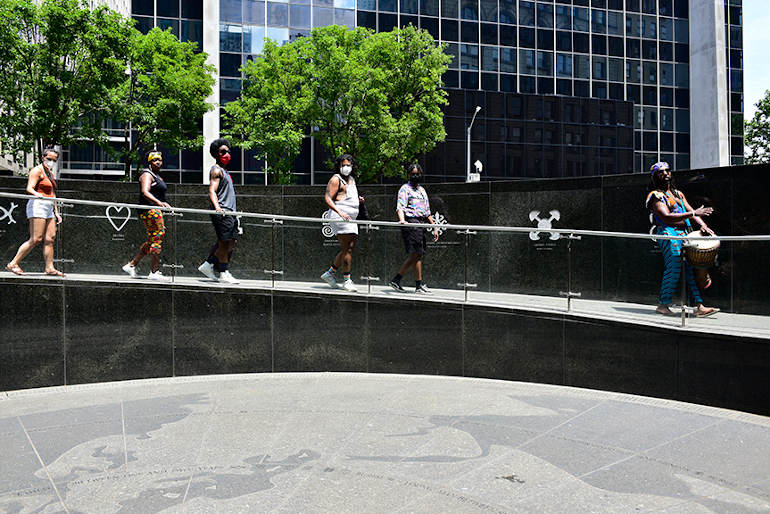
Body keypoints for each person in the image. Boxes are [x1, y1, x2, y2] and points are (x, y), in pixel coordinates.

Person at [646, 161, 719, 317]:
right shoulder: (655, 196)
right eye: (661, 172)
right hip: (668, 234)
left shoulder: (678, 194)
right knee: (674, 269)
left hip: (684, 234)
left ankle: (698, 306)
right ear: (655, 177)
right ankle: (663, 305)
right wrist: (694, 214)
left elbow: (692, 211)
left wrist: (703, 226)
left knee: (689, 270)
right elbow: (666, 217)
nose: (665, 174)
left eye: (667, 171)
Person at [5, 147, 64, 277]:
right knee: (36, 238)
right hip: (38, 204)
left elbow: (52, 193)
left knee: (50, 238)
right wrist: (38, 195)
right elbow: (29, 188)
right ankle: (13, 263)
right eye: (49, 159)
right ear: (43, 157)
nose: (51, 162)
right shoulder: (37, 170)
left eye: (54, 160)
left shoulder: (50, 173)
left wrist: (56, 211)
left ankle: (49, 268)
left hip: (49, 206)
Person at [388, 163, 439, 294]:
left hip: (421, 223)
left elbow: (427, 211)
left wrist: (434, 227)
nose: (415, 176)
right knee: (417, 254)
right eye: (412, 174)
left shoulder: (422, 190)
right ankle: (418, 285)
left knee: (418, 254)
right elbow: (400, 207)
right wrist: (402, 220)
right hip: (411, 223)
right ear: (408, 175)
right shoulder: (405, 189)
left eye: (417, 174)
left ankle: (397, 280)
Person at [121, 151, 171, 281]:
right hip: (149, 210)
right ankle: (154, 272)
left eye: (160, 160)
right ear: (149, 162)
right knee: (157, 237)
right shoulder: (146, 174)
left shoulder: (157, 176)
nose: (158, 162)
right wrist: (159, 203)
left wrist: (161, 202)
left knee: (153, 239)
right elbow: (145, 192)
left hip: (154, 209)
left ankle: (132, 265)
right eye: (154, 160)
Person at [198, 138, 239, 284]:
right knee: (224, 243)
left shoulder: (224, 171)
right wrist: (217, 208)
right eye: (223, 152)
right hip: (222, 211)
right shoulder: (216, 170)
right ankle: (223, 272)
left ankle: (208, 264)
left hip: (230, 212)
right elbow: (212, 191)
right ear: (216, 154)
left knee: (231, 242)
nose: (226, 154)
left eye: (228, 151)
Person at [320, 154, 364, 292]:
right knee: (348, 249)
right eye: (343, 165)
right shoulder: (335, 179)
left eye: (348, 165)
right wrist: (339, 212)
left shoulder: (351, 179)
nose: (346, 167)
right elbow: (328, 198)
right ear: (338, 166)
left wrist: (358, 200)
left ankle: (330, 273)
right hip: (341, 217)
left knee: (348, 248)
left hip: (351, 218)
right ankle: (347, 279)